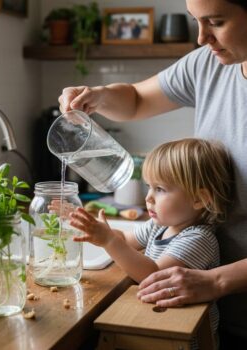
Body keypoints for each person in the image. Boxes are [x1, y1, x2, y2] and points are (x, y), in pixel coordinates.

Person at [58, 0, 247, 347]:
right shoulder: (209, 62)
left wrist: (217, 281)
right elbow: (135, 99)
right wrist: (95, 97)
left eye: (216, 22)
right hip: (204, 311)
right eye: (196, 22)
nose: (202, 38)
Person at [69, 138, 233, 348]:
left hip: (181, 339)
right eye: (149, 187)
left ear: (199, 199)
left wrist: (108, 240)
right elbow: (127, 240)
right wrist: (94, 229)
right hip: (156, 321)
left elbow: (152, 275)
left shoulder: (199, 238)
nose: (149, 198)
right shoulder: (161, 225)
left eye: (160, 189)